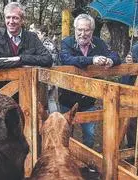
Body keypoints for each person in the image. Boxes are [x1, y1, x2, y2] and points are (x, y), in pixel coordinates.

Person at [59, 14, 121, 167]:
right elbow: (67, 59)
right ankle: (65, 162)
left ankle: (88, 163)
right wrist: (92, 60)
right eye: (80, 29)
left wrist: (110, 60)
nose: (83, 34)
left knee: (90, 134)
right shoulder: (66, 42)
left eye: (87, 30)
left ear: (92, 31)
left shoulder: (99, 44)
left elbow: (114, 55)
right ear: (75, 29)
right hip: (67, 97)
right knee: (66, 133)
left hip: (88, 99)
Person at [0, 2, 52, 69]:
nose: (11, 22)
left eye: (15, 18)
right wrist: (18, 62)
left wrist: (21, 58)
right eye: (8, 17)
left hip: (26, 79)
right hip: (3, 78)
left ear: (22, 20)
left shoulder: (32, 37)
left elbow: (47, 59)